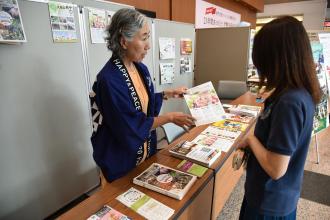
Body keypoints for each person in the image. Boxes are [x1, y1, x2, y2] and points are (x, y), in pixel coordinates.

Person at [90, 8, 195, 182]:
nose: (149, 45)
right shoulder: (109, 80)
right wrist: (169, 118)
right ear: (124, 42)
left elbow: (140, 104)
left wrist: (168, 93)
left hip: (144, 156)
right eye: (144, 37)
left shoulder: (139, 68)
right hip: (121, 162)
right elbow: (131, 125)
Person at [237, 16, 321, 219]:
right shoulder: (297, 93)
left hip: (269, 204)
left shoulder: (290, 102)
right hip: (275, 197)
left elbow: (276, 168)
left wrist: (250, 139)